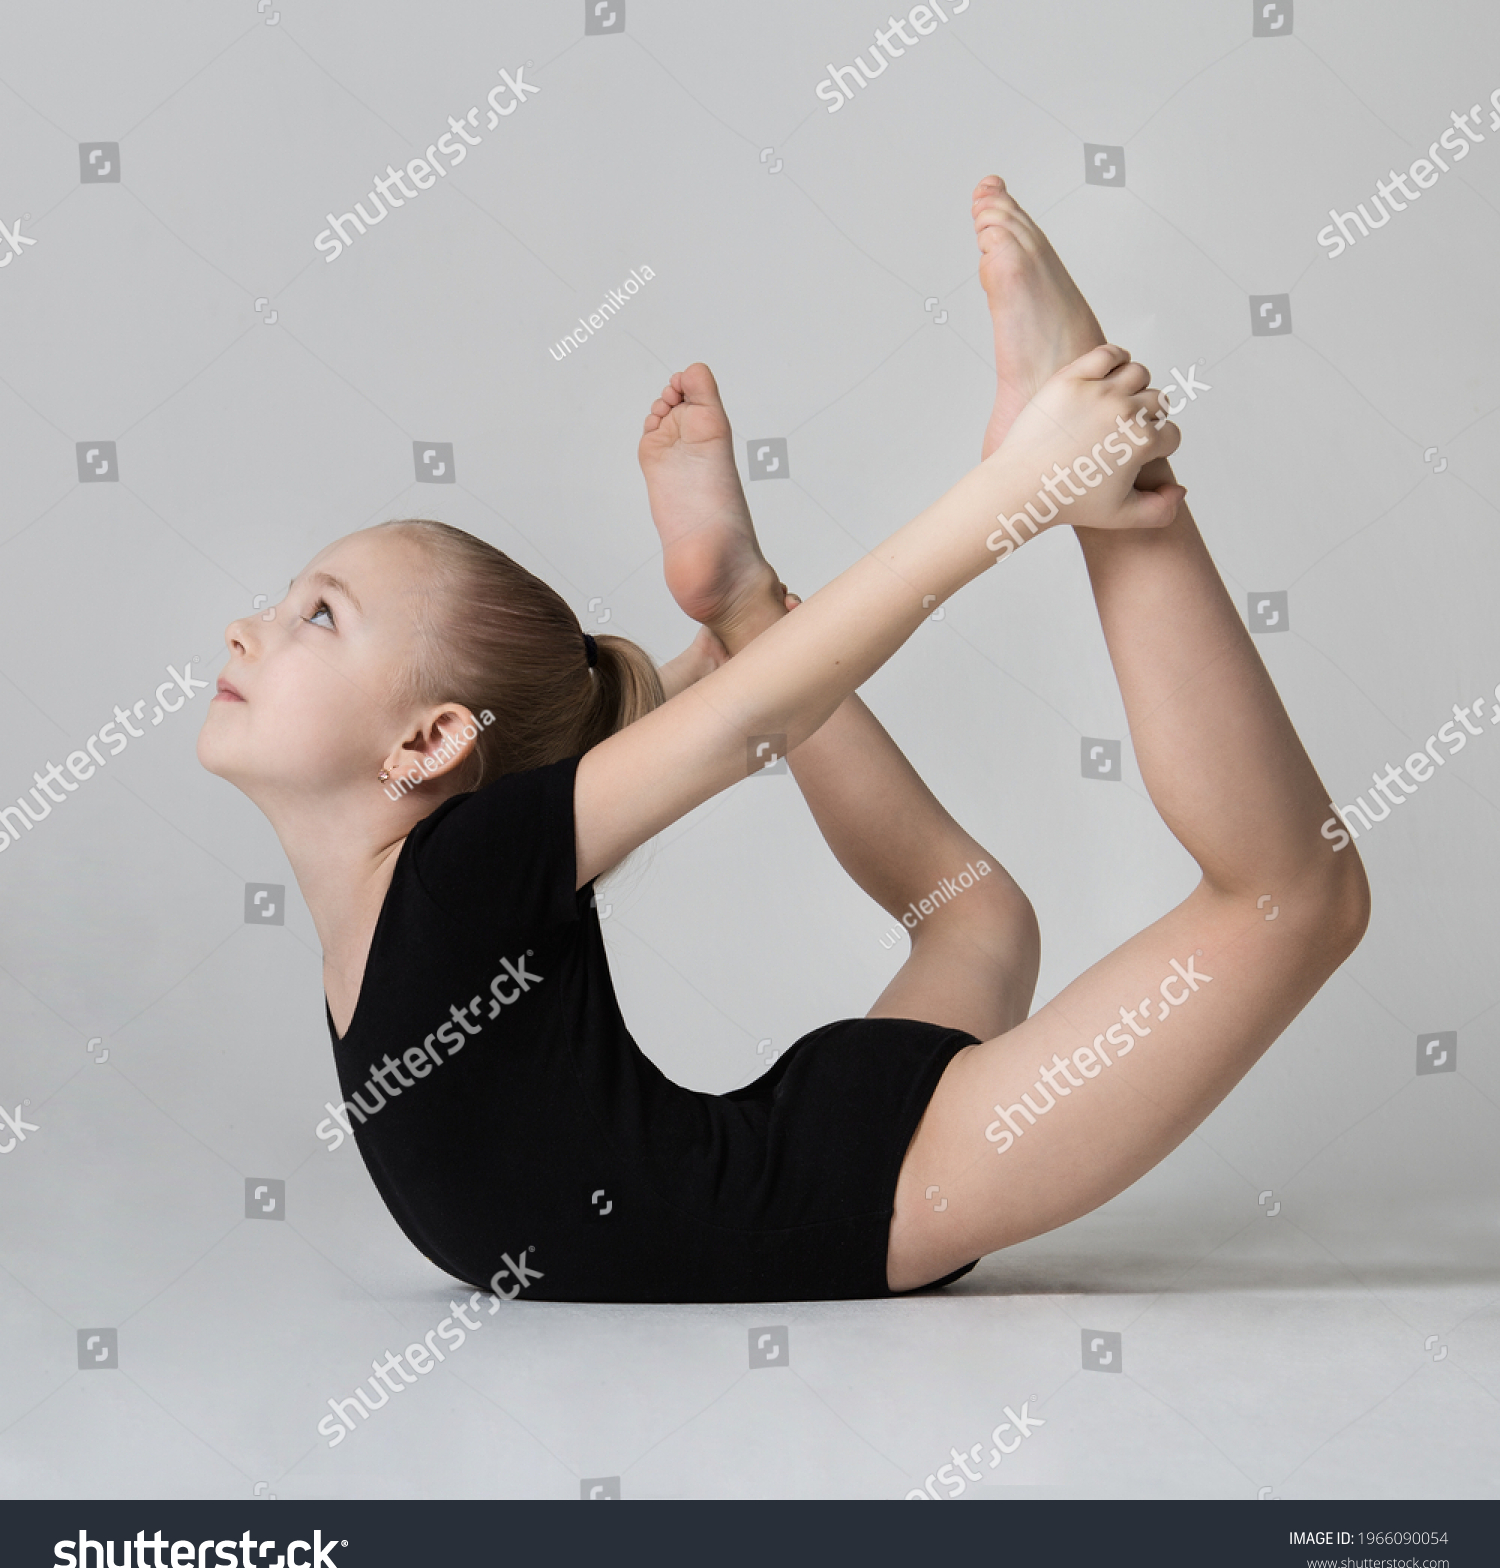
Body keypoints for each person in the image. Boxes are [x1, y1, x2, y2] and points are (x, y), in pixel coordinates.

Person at [198, 177, 1368, 1302]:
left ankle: (1101, 473)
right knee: (981, 913)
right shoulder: (423, 901)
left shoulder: (458, 878)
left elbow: (757, 716)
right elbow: (737, 715)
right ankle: (759, 593)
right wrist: (738, 633)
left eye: (316, 613)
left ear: (430, 742)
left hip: (880, 1183)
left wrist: (1024, 489)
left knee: (1297, 896)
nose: (250, 627)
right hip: (817, 1152)